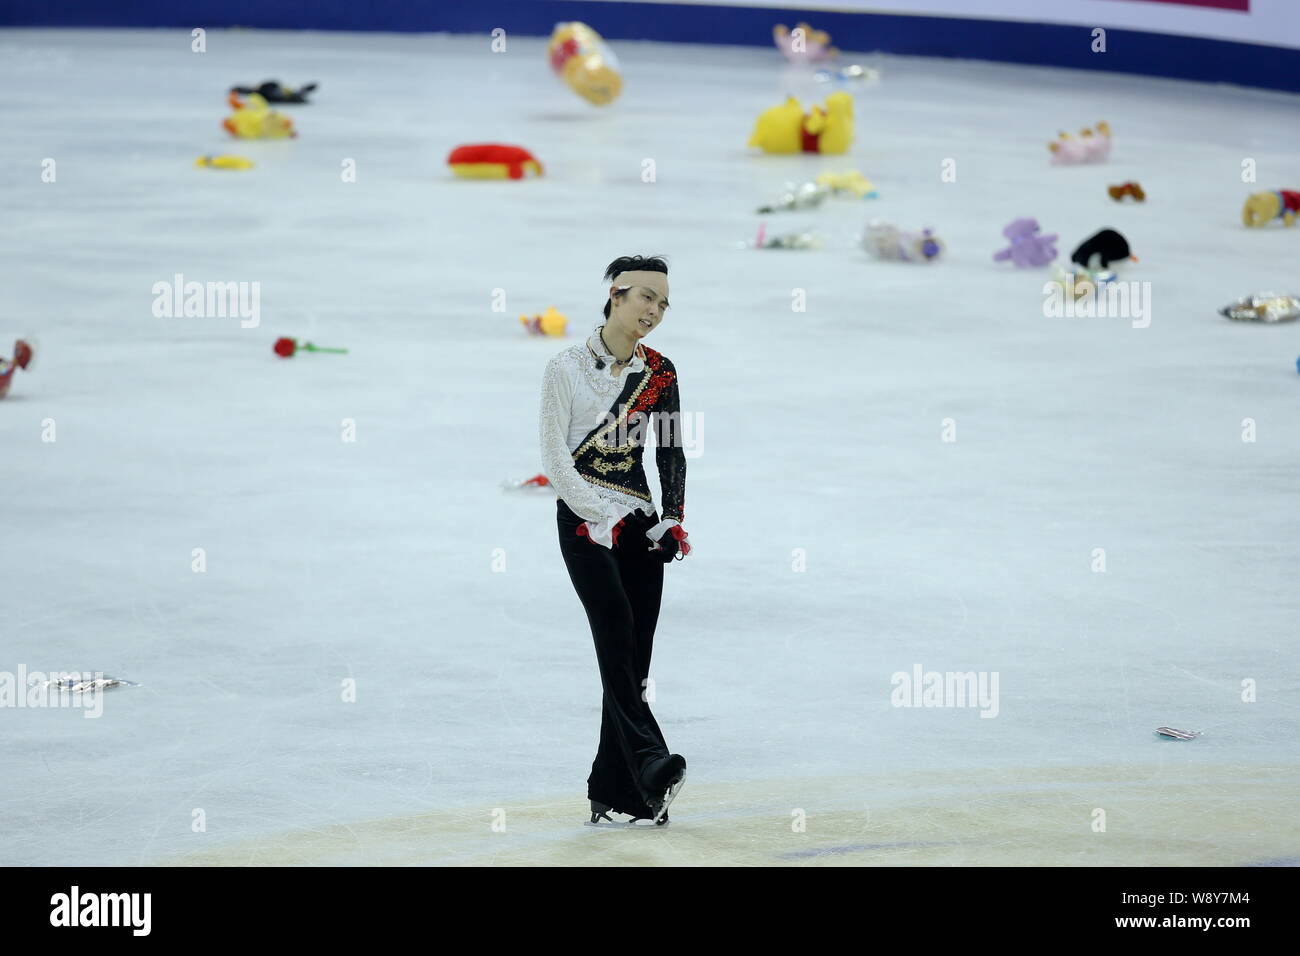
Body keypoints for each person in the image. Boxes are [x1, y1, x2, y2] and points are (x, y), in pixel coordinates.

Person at [538, 255, 691, 826]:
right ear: (616, 294)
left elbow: (670, 449)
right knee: (617, 635)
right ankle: (651, 764)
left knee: (637, 656)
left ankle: (614, 787)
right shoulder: (565, 368)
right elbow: (555, 457)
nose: (654, 310)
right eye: (646, 297)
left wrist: (669, 518)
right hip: (584, 522)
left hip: (641, 527)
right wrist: (594, 513)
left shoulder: (662, 374)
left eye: (663, 303)